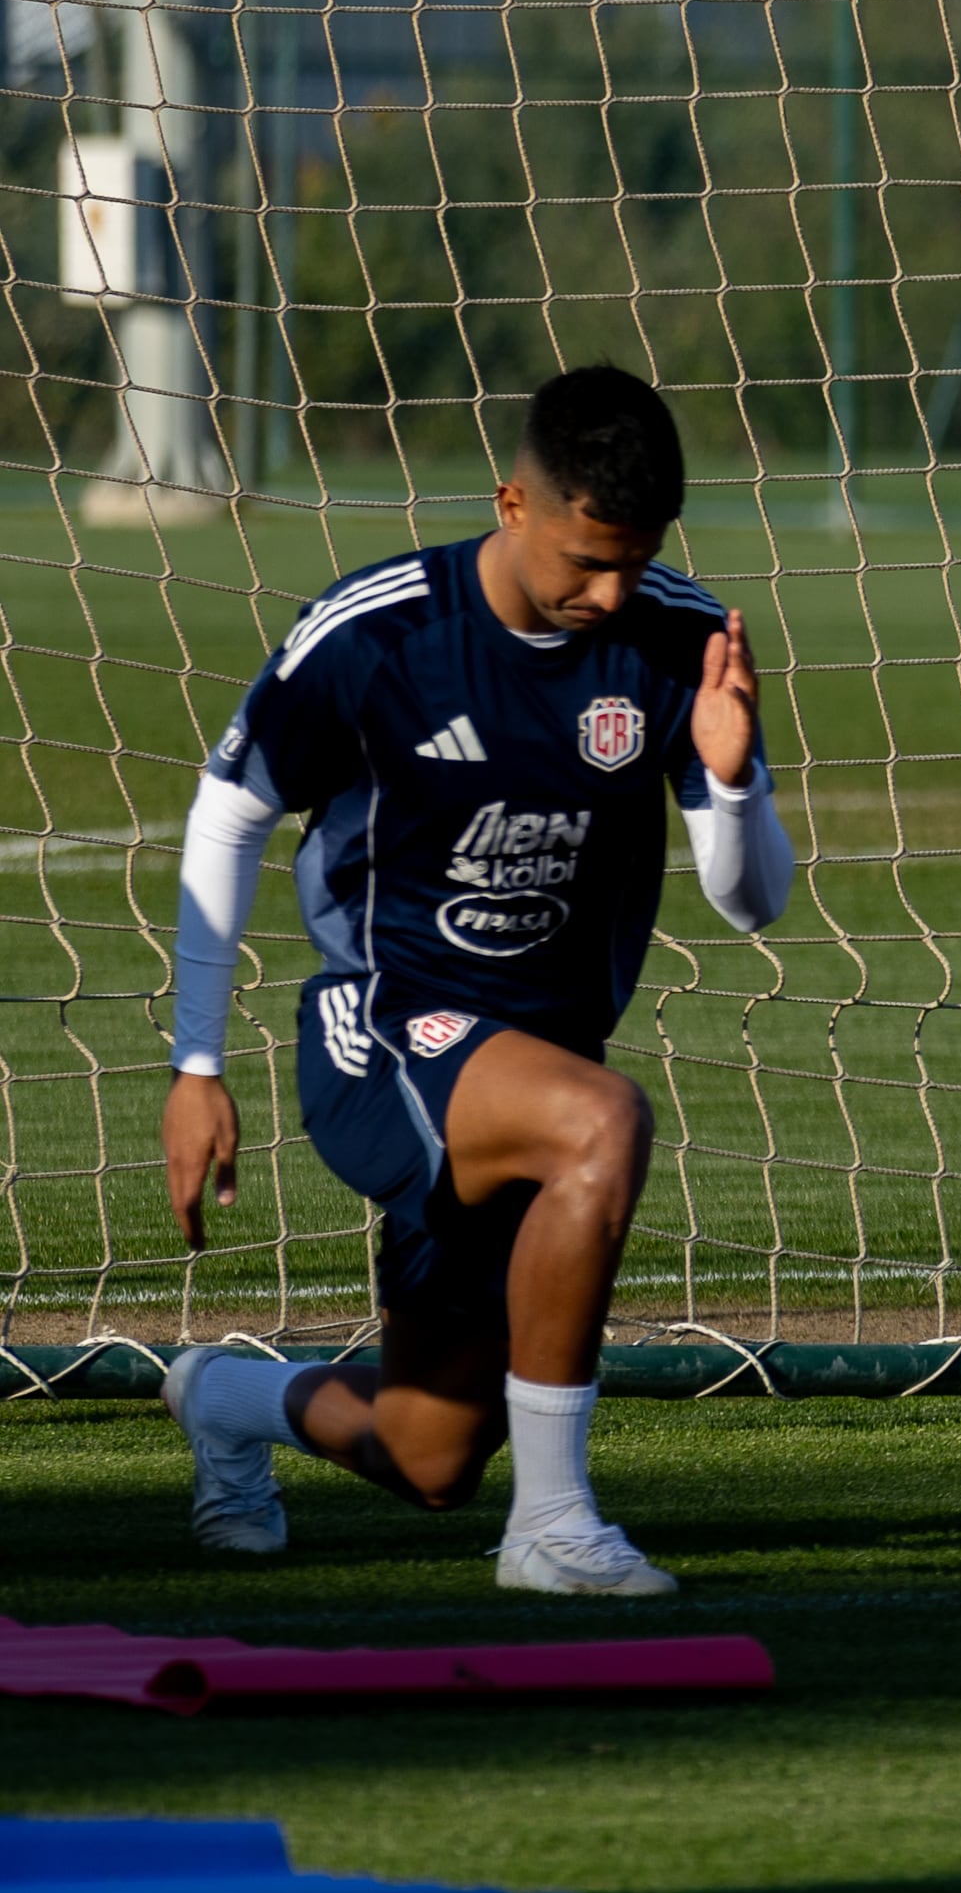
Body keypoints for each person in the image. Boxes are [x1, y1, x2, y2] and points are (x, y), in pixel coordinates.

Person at [154, 366, 795, 1594]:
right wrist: (197, 1065)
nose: (610, 592)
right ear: (512, 502)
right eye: (585, 560)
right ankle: (552, 1525)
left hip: (532, 1066)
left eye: (636, 559)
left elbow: (749, 900)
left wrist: (737, 768)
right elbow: (227, 816)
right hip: (383, 1030)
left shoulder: (675, 637)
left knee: (430, 1453)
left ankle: (227, 1399)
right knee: (603, 1125)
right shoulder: (383, 629)